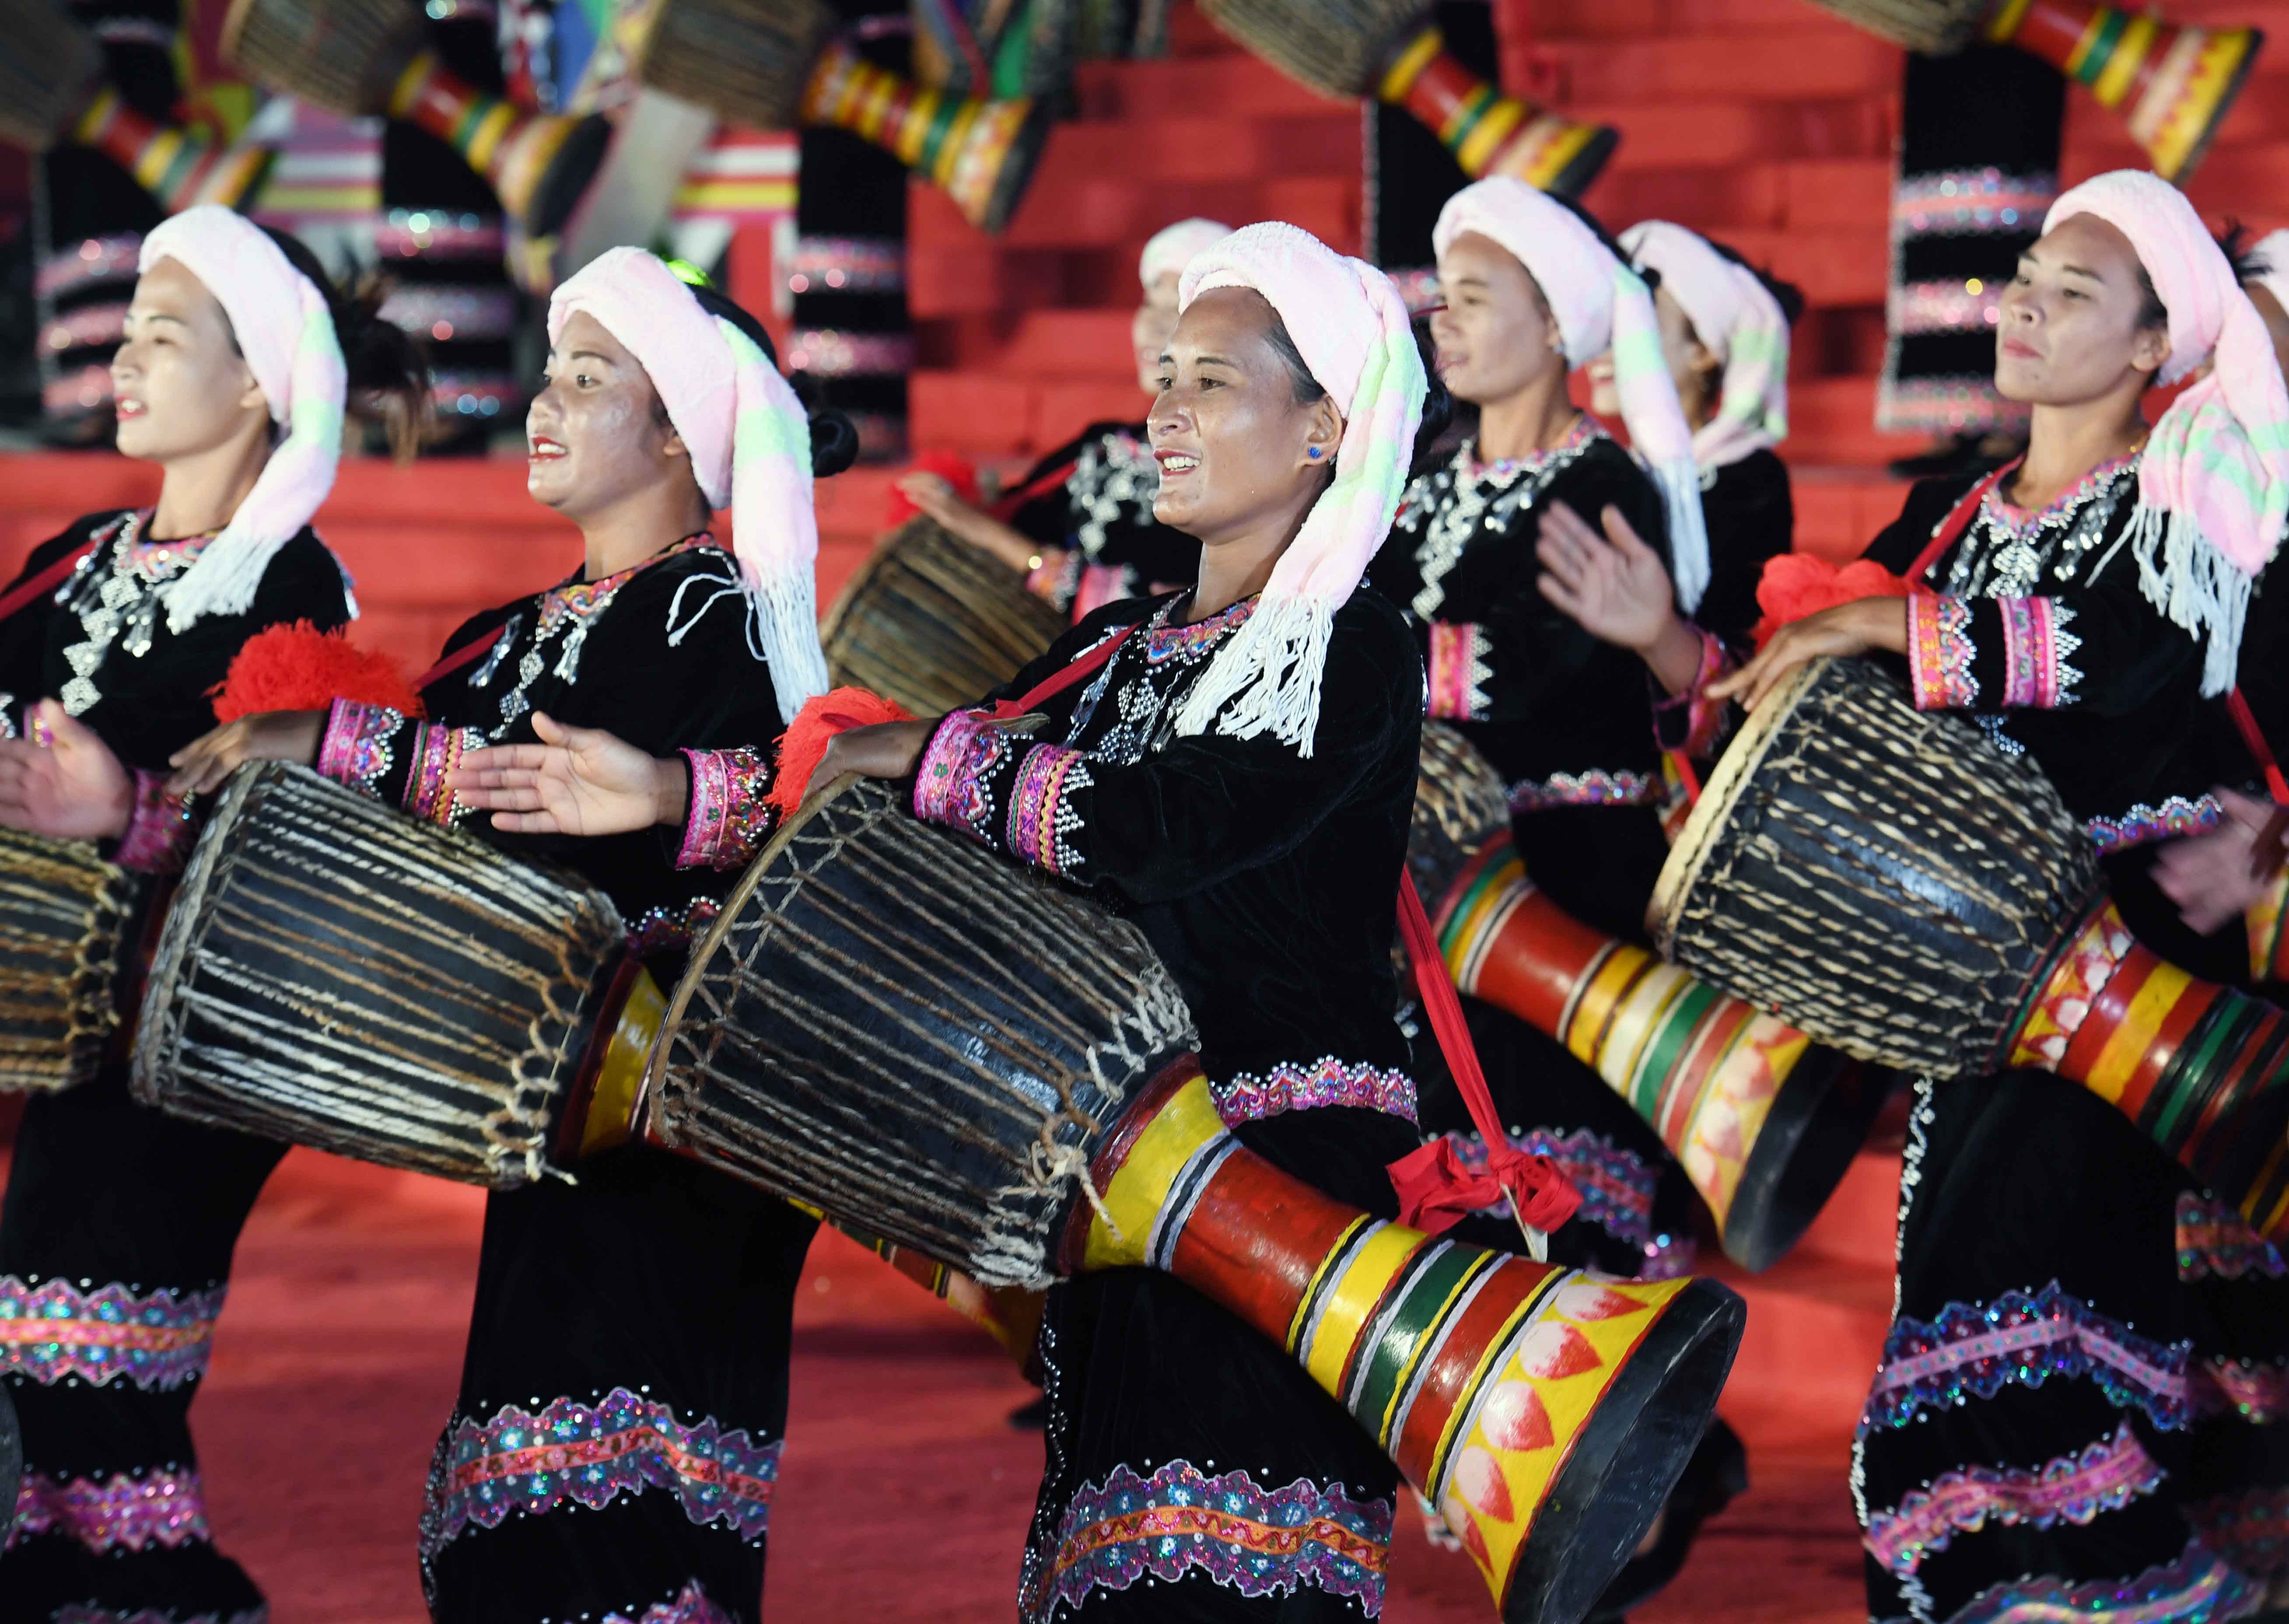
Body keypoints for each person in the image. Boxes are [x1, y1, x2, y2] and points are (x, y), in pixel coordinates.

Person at [448, 218, 1452, 1621]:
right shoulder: (1112, 646)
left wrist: (926, 757)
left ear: (1323, 426)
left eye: (1211, 380)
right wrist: (679, 792)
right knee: (1111, 1578)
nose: (1162, 409)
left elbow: (1161, 825)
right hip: (1114, 1181)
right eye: (1162, 372)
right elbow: (896, 800)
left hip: (1280, 1182)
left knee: (1229, 1580)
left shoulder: (1351, 644)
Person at [165, 247, 852, 1624]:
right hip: (544, 1108)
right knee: (513, 1518)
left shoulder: (715, 616)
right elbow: (446, 818)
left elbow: (782, 816)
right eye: (545, 372)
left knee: (614, 1508)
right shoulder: (494, 640)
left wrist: (353, 745)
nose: (543, 401)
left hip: (683, 1117)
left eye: (587, 380)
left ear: (674, 430)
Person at [1713, 170, 2289, 1624]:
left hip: (2119, 964)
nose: (2022, 299)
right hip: (1961, 990)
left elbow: (2136, 652)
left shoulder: (2186, 506)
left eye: (2073, 289)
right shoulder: (1942, 513)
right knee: (1975, 1306)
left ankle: (2124, 1593)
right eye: (2025, 270)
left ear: (2160, 340)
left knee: (2020, 1317)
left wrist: (1882, 622)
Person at [0, 204, 428, 1623]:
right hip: (54, 1039)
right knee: (49, 1420)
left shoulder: (292, 589)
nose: (120, 359)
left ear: (256, 381)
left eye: (161, 336)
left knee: (85, 1379)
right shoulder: (73, 559)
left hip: (190, 1056)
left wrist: (121, 807)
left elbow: (305, 846)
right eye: (123, 330)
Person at [1364, 173, 1740, 1621]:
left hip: (1555, 887)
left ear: (1554, 323)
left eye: (1476, 295)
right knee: (1457, 1179)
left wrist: (1370, 667)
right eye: (1443, 290)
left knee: (1556, 1178)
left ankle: (1624, 1464)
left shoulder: (1598, 486)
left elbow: (1544, 667)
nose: (1444, 317)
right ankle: (1629, 1458)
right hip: (1431, 886)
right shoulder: (1434, 479)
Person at [891, 217, 1226, 621]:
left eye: (1176, 310)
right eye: (1147, 305)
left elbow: (1167, 610)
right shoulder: (1106, 444)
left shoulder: (1225, 468)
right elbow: (1022, 515)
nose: (1152, 327)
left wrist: (999, 542)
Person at [1603, 219, 1803, 645]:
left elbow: (1732, 628)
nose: (1610, 340)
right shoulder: (1604, 465)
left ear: (1704, 351)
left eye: (1637, 316)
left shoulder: (1751, 480)